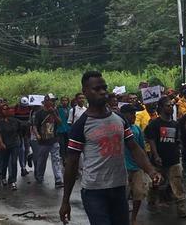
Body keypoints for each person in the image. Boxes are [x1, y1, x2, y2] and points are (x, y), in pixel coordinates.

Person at [60, 71, 161, 225]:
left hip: (119, 189)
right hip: (94, 192)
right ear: (85, 92)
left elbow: (134, 148)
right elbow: (72, 163)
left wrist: (151, 170)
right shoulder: (80, 126)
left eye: (104, 88)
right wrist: (65, 201)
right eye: (96, 89)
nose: (102, 92)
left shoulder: (120, 119)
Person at [145, 97, 186, 218]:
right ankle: (152, 201)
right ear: (161, 108)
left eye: (171, 105)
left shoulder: (175, 124)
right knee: (155, 184)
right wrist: (156, 155)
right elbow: (151, 140)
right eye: (167, 105)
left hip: (173, 160)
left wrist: (179, 148)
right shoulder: (154, 123)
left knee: (177, 185)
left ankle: (182, 209)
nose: (170, 107)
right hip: (158, 161)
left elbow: (177, 139)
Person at [120, 104, 148, 225]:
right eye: (131, 114)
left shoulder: (137, 129)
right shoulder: (118, 129)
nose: (133, 116)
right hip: (123, 168)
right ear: (124, 115)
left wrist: (147, 166)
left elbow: (141, 149)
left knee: (138, 194)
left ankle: (134, 218)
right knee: (123, 196)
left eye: (134, 114)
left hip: (137, 168)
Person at [31, 94, 64, 187]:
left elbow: (60, 122)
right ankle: (39, 176)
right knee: (42, 160)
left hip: (54, 139)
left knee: (56, 159)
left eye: (54, 101)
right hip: (43, 141)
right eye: (51, 100)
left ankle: (58, 180)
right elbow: (34, 125)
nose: (53, 103)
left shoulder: (55, 111)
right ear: (46, 101)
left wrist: (53, 113)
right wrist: (37, 135)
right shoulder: (39, 113)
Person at [0, 103, 22, 190]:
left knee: (14, 162)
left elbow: (22, 128)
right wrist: (1, 143)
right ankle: (3, 177)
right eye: (3, 109)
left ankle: (13, 180)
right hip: (5, 144)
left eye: (7, 109)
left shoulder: (15, 120)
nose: (5, 111)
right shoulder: (0, 121)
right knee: (5, 162)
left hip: (15, 143)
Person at [14, 96, 32, 176]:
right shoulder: (15, 109)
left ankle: (25, 163)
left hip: (27, 132)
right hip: (18, 132)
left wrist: (28, 122)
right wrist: (20, 122)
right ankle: (23, 167)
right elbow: (13, 118)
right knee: (22, 150)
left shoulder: (30, 109)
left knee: (27, 150)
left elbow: (32, 118)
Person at [57, 96, 71, 163]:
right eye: (63, 100)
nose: (64, 102)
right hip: (60, 130)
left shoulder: (70, 109)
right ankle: (63, 158)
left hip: (68, 129)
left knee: (67, 144)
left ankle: (67, 157)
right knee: (62, 145)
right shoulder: (58, 109)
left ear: (68, 101)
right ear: (61, 101)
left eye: (66, 100)